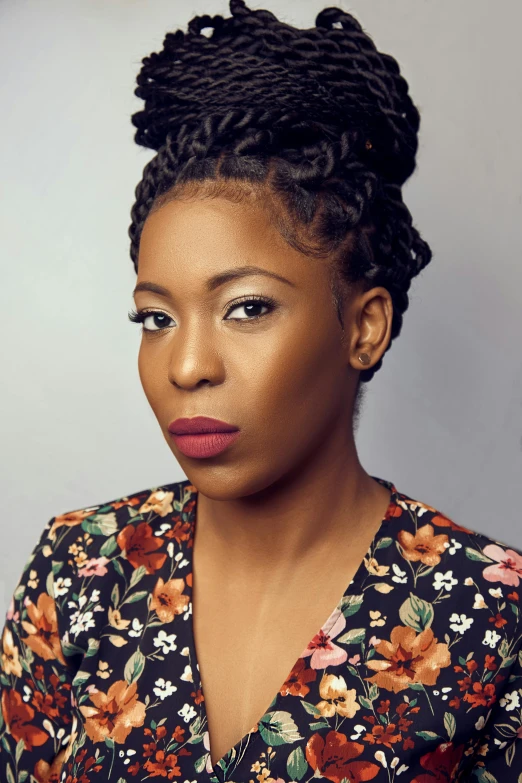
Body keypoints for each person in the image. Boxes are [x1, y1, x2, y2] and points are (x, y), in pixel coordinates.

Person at [1, 1, 521, 781]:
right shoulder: (78, 569)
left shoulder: (490, 618)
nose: (186, 366)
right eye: (155, 317)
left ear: (364, 327)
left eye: (246, 307)